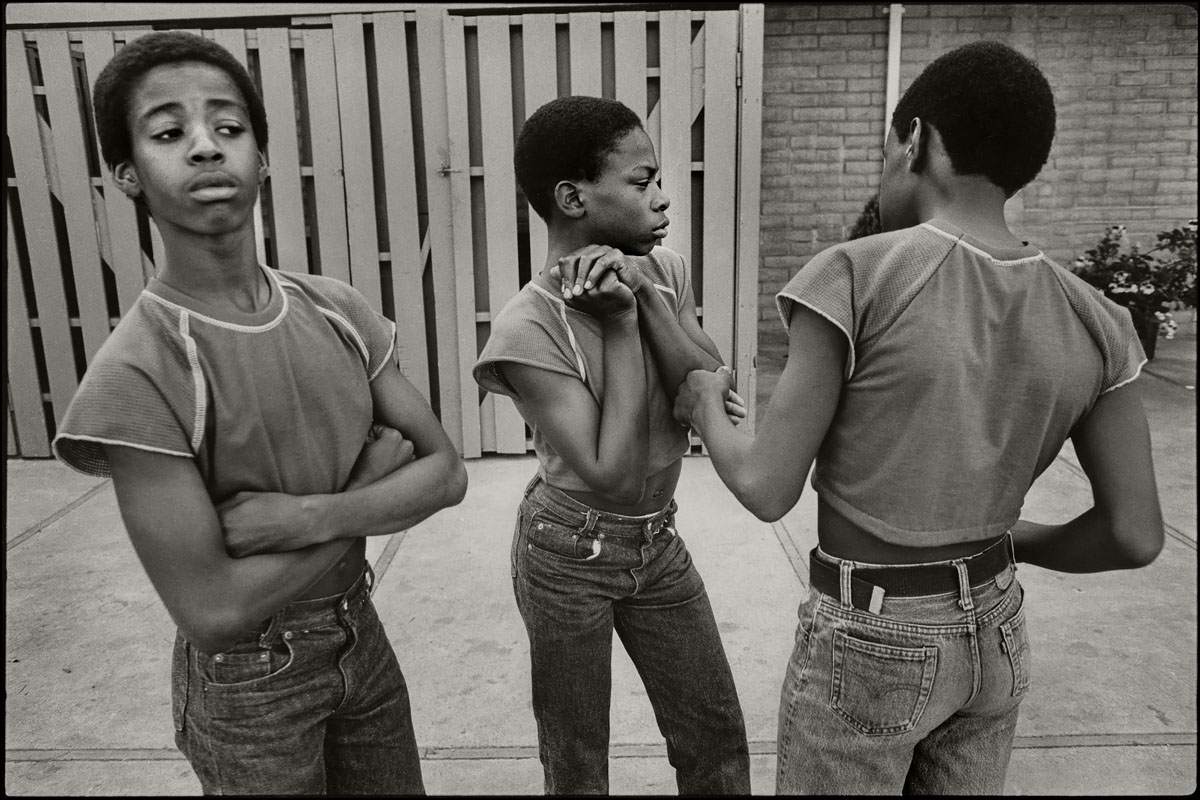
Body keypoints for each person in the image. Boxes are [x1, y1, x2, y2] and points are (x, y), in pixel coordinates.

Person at [674, 40, 1164, 794]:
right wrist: (998, 549)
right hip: (997, 635)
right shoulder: (1099, 321)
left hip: (874, 635)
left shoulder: (856, 274)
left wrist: (707, 401)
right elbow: (1134, 536)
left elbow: (768, 487)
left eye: (886, 150)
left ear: (916, 139)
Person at [52, 31, 467, 795]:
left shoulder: (336, 308)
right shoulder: (139, 369)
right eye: (170, 132)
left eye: (229, 127)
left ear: (264, 158)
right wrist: (368, 499)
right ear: (126, 174)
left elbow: (445, 475)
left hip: (360, 637)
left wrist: (312, 515)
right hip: (249, 679)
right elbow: (212, 608)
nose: (207, 148)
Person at [472, 95, 751, 794]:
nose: (663, 201)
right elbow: (613, 476)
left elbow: (707, 378)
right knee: (577, 761)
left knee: (714, 737)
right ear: (572, 197)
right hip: (570, 552)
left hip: (658, 543)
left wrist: (647, 296)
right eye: (642, 182)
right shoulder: (525, 328)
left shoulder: (665, 271)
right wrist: (621, 325)